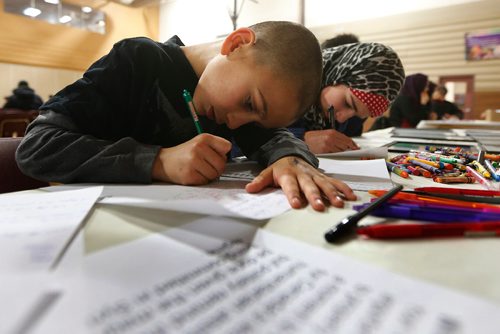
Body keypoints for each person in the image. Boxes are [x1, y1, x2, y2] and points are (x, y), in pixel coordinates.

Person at [16, 21, 357, 212]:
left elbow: (274, 137)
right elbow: (37, 147)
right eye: (251, 104)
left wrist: (289, 157)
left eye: (254, 121)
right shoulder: (137, 60)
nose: (237, 123)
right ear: (236, 44)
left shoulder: (232, 111)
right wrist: (157, 161)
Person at [298, 42, 405, 153]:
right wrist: (299, 140)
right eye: (348, 103)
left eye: (358, 115)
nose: (342, 119)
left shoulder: (356, 113)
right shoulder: (291, 82)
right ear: (337, 74)